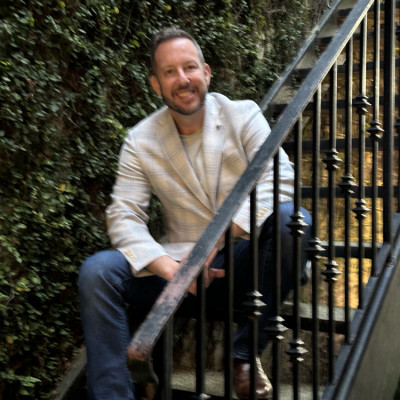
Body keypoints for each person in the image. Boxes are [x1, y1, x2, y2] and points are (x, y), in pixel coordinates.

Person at [78, 27, 311, 400]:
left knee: (293, 221)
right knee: (99, 270)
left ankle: (243, 353)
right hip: (178, 271)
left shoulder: (243, 114)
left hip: (245, 264)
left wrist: (211, 245)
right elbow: (123, 217)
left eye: (189, 67)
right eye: (169, 72)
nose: (182, 79)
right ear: (156, 85)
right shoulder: (140, 139)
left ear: (206, 72)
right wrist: (173, 271)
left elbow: (279, 179)